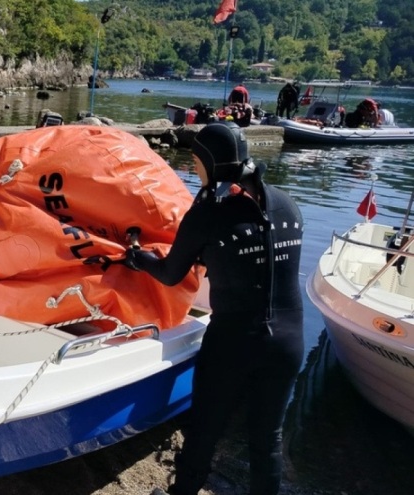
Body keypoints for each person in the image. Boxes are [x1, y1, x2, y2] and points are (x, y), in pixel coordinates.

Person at [126, 122, 304, 495]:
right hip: (289, 342)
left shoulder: (208, 214)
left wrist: (137, 256)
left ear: (210, 163)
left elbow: (170, 274)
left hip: (234, 342)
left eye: (195, 162)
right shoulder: (287, 203)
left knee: (205, 428)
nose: (194, 170)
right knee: (267, 437)